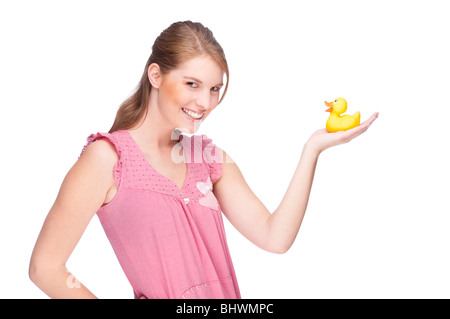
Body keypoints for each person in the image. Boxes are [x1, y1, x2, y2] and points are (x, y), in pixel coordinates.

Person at [29, 21, 378, 299]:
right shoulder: (107, 159)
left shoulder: (208, 157)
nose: (205, 102)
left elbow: (275, 237)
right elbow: (45, 267)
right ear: (156, 76)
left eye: (214, 89)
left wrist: (313, 148)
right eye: (192, 84)